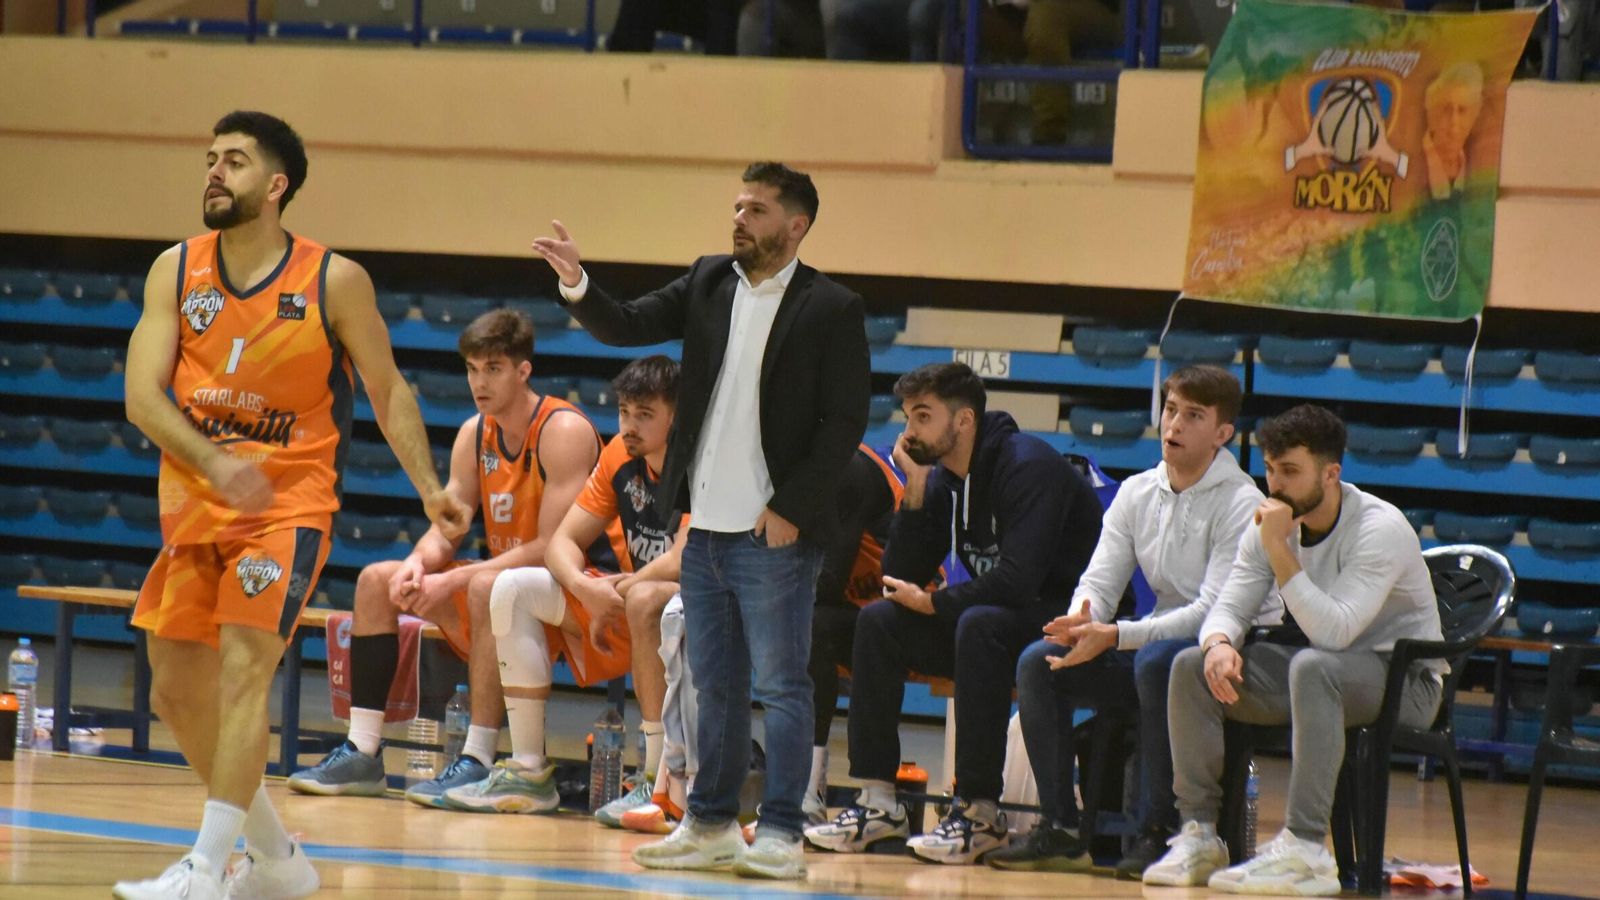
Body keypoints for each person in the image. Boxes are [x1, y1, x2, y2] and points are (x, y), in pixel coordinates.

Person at [114, 110, 471, 900]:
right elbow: (141, 396)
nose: (213, 171)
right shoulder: (174, 270)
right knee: (174, 685)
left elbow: (387, 389)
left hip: (286, 507)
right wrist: (211, 459)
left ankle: (206, 869)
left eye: (233, 161)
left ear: (275, 187)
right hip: (196, 504)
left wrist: (431, 489)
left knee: (245, 671)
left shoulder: (332, 279)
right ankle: (276, 858)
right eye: (210, 157)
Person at [532, 161, 870, 880]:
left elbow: (845, 423)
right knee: (713, 684)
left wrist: (791, 510)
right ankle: (710, 822)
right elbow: (625, 323)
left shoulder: (832, 309)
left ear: (795, 224)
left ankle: (780, 829)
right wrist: (576, 283)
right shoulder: (711, 280)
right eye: (738, 206)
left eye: (756, 209)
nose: (740, 218)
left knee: (782, 685)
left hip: (773, 532)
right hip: (706, 529)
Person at [287, 309, 602, 807]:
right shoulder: (474, 433)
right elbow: (450, 524)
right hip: (499, 586)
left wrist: (453, 582)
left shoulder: (563, 430)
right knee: (377, 580)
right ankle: (363, 750)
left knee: (481, 586)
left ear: (524, 371)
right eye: (472, 369)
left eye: (493, 368)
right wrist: (418, 562)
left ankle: (476, 758)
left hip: (574, 589)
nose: (479, 381)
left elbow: (553, 547)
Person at [805, 362, 1102, 865]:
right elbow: (898, 579)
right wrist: (916, 491)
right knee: (880, 621)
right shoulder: (945, 478)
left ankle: (980, 810)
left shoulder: (1028, 466)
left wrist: (935, 602)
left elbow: (1019, 582)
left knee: (978, 623)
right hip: (995, 623)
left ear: (963, 421)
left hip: (1064, 623)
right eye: (907, 417)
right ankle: (879, 802)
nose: (908, 431)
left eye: (923, 417)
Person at [1144, 404, 1444, 896]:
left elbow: (1335, 633)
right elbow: (1227, 606)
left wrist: (1280, 549)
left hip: (1406, 681)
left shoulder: (1379, 528)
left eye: (1289, 471)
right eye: (1269, 469)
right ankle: (1199, 833)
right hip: (1325, 675)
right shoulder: (1271, 520)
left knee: (1313, 666)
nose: (1275, 484)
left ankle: (1306, 849)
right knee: (1191, 667)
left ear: (1331, 474)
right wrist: (1219, 644)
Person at [986, 365, 1263, 878]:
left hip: (1224, 657)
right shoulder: (1137, 492)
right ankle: (1061, 828)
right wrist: (1078, 624)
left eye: (1193, 416)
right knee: (1041, 660)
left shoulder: (1242, 503)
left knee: (1158, 661)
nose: (1173, 425)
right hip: (1152, 645)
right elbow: (1099, 581)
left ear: (1223, 434)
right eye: (1171, 409)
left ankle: (1157, 831)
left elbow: (1210, 614)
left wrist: (1115, 635)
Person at [440, 355, 689, 814]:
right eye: (624, 413)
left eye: (645, 415)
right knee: (511, 587)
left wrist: (619, 588)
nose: (629, 426)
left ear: (677, 417)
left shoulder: (697, 461)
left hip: (691, 604)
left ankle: (657, 781)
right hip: (623, 598)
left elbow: (682, 558)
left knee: (648, 598)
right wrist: (585, 587)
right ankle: (528, 770)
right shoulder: (619, 455)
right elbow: (562, 542)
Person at [803, 444, 905, 823]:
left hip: (912, 610)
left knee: (809, 624)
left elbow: (827, 582)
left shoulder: (845, 468)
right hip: (861, 611)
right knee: (808, 624)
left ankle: (808, 790)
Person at [1422, 62, 1484, 200]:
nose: (1454, 125)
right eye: (1446, 110)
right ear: (1431, 114)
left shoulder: (1477, 170)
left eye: (1462, 111)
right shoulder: (1408, 164)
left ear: (1474, 116)